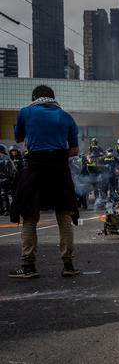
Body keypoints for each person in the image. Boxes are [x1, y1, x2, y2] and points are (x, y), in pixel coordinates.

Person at [9, 85, 80, 278]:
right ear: (53, 98)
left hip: (35, 168)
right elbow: (74, 151)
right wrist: (56, 154)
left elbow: (19, 137)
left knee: (30, 216)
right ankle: (68, 265)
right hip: (59, 170)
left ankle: (28, 266)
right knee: (64, 216)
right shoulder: (66, 117)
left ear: (34, 98)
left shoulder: (26, 112)